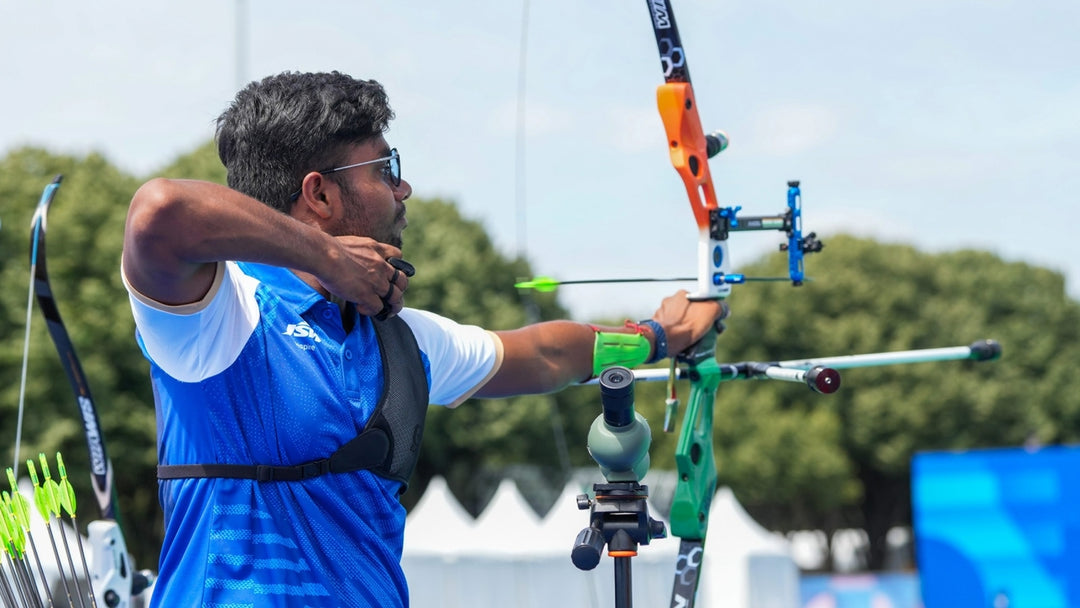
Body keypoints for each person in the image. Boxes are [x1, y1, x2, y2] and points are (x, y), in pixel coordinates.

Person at [121, 71, 728, 607]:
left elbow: (544, 354)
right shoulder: (221, 314)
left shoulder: (398, 337)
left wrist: (655, 335)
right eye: (386, 170)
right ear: (320, 194)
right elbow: (160, 211)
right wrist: (329, 258)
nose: (403, 190)